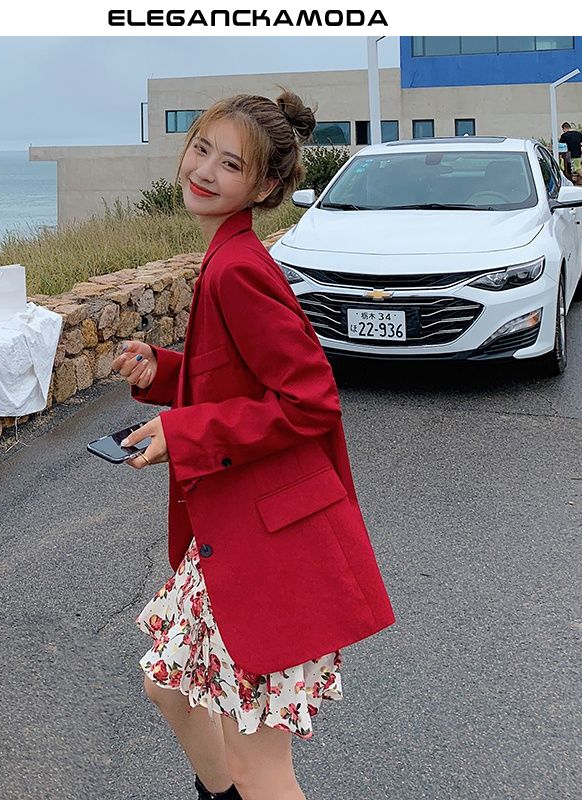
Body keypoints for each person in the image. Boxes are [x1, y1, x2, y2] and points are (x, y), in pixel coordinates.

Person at [111, 90, 395, 800]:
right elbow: (241, 375)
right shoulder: (228, 256)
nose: (203, 170)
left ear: (265, 186)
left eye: (230, 164)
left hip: (271, 545)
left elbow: (309, 399)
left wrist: (184, 431)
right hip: (238, 531)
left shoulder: (237, 268)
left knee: (259, 766)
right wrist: (165, 373)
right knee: (168, 687)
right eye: (201, 147)